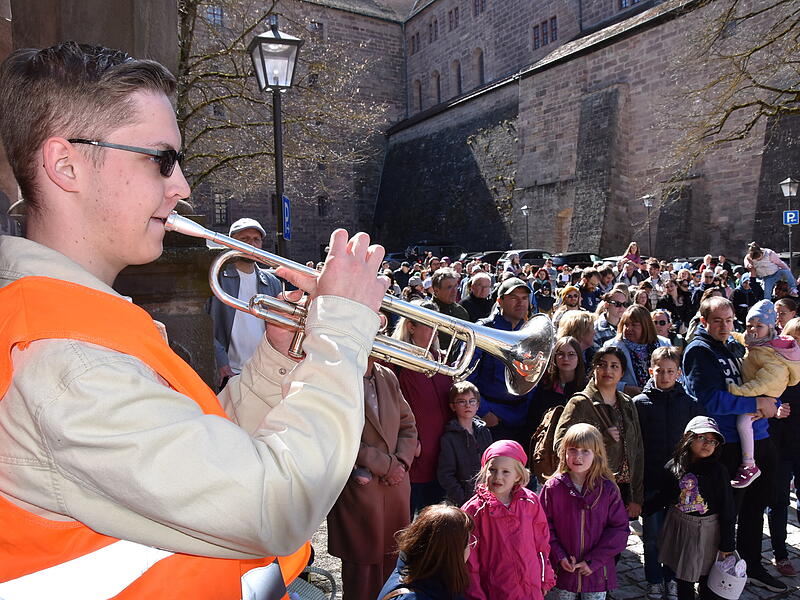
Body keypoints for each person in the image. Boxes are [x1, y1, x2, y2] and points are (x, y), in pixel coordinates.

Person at [0, 41, 389, 598]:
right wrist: (344, 328)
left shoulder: (72, 324)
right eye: (161, 159)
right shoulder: (69, 363)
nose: (181, 186)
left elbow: (200, 460)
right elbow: (276, 504)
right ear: (65, 165)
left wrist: (278, 360)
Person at [682, 296, 786, 592]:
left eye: (729, 320)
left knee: (756, 507)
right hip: (726, 444)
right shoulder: (700, 351)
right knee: (725, 514)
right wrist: (757, 402)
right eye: (717, 321)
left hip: (757, 437)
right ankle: (713, 575)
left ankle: (751, 563)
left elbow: (761, 380)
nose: (725, 326)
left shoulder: (733, 345)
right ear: (704, 322)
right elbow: (709, 399)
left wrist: (770, 403)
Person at [328, 359, 418, 600]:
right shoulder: (335, 375)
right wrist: (385, 465)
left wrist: (401, 462)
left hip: (395, 488)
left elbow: (408, 426)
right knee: (361, 573)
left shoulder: (387, 375)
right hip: (360, 490)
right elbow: (334, 432)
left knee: (395, 564)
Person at [634, 347, 703, 600]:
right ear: (652, 371)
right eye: (660, 371)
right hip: (651, 482)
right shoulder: (640, 404)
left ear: (679, 374)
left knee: (676, 537)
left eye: (670, 371)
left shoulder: (689, 404)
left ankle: (672, 579)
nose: (664, 376)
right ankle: (654, 579)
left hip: (680, 484)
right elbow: (636, 446)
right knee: (651, 537)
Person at [647, 417, 736, 600]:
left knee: (707, 577)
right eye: (702, 438)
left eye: (713, 441)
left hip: (709, 531)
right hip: (679, 527)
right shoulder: (673, 467)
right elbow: (664, 497)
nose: (708, 444)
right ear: (688, 437)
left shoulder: (719, 472)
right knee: (683, 577)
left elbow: (728, 508)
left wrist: (727, 543)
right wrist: (641, 509)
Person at [540, 423, 630, 600]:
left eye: (585, 451)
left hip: (596, 573)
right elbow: (542, 526)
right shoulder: (553, 488)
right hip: (564, 571)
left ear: (597, 454)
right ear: (564, 452)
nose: (578, 456)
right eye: (572, 449)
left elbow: (619, 530)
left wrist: (594, 561)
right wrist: (559, 556)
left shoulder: (608, 489)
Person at [555, 347, 644, 518]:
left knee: (617, 541)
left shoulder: (627, 403)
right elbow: (560, 445)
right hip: (590, 487)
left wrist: (636, 497)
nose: (608, 370)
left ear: (622, 372)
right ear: (594, 368)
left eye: (614, 366)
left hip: (623, 489)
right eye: (602, 364)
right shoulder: (580, 403)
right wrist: (598, 439)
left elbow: (638, 450)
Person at [461, 441, 555, 600]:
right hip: (496, 591)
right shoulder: (473, 510)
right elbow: (469, 562)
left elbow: (541, 545)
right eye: (492, 470)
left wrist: (544, 577)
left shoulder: (530, 501)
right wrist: (476, 595)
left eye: (506, 472)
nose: (498, 477)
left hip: (531, 589)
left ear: (518, 475)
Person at [725, 301, 798, 488]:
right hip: (760, 398)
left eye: (759, 326)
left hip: (762, 395)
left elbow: (763, 383)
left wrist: (738, 391)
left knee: (743, 422)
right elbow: (744, 339)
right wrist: (729, 335)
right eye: (750, 325)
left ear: (770, 327)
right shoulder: (759, 342)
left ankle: (749, 465)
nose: (753, 329)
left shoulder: (771, 354)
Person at [390, 301, 453, 515]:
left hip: (441, 457)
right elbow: (387, 406)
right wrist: (405, 442)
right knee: (404, 526)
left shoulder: (442, 358)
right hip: (412, 457)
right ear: (411, 326)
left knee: (432, 527)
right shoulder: (395, 361)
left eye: (438, 324)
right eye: (429, 324)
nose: (435, 330)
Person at [206, 217, 282, 389]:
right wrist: (220, 360)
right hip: (230, 373)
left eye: (256, 240)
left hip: (264, 372)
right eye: (245, 239)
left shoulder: (272, 282)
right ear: (231, 243)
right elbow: (203, 324)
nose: (252, 245)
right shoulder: (216, 278)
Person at [468, 278, 536, 450]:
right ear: (500, 301)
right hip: (492, 418)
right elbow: (465, 377)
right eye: (514, 297)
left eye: (524, 298)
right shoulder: (484, 329)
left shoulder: (531, 331)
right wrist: (484, 412)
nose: (521, 302)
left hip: (523, 417)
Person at [377, 504, 474, 600]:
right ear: (451, 553)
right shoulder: (411, 597)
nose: (470, 549)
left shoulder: (417, 569)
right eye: (467, 544)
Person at [766, 317, 800, 577]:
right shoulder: (775, 368)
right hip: (779, 446)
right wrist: (775, 409)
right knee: (777, 502)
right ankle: (780, 553)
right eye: (795, 339)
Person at [437, 382, 493, 507]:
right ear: (453, 406)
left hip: (487, 495)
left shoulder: (484, 431)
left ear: (477, 405)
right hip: (464, 500)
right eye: (462, 401)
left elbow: (491, 462)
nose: (468, 405)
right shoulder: (449, 437)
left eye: (472, 401)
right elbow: (446, 474)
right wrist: (462, 497)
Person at [603, 305, 671, 396]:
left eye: (634, 325)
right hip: (627, 403)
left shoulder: (664, 343)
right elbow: (601, 377)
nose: (628, 329)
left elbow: (676, 374)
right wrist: (624, 388)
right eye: (626, 324)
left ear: (646, 326)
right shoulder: (612, 346)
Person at [530, 336, 587, 427]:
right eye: (561, 354)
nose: (566, 359)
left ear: (579, 358)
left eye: (571, 354)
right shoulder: (545, 383)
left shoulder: (586, 387)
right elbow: (533, 417)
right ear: (554, 357)